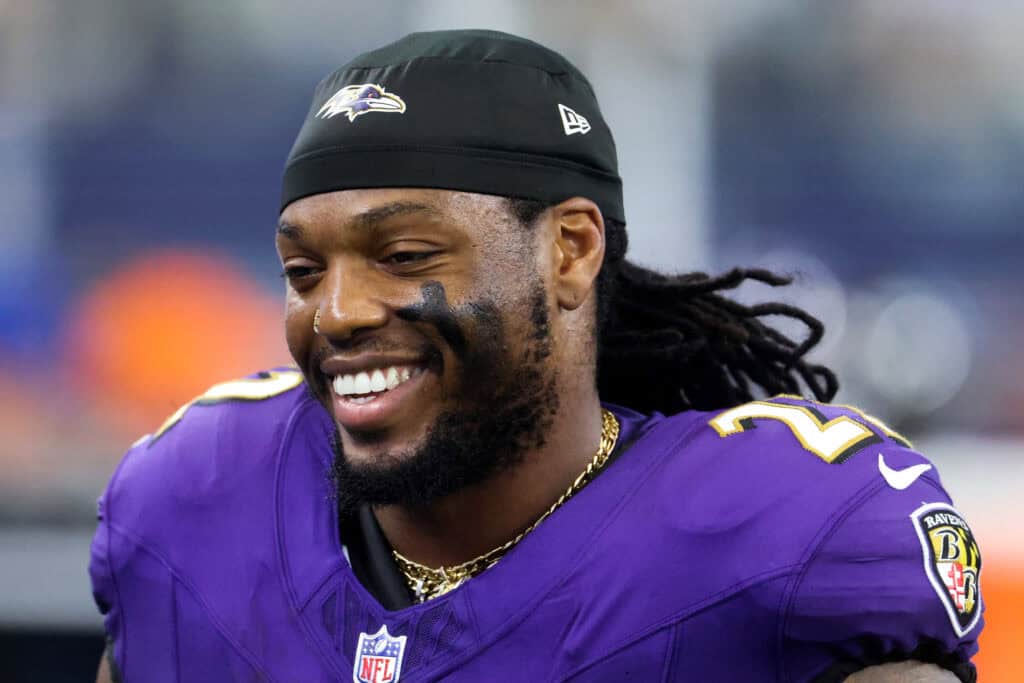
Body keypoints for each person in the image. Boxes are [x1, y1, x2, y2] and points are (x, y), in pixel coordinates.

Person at [90, 29, 983, 682]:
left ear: (570, 250)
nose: (338, 312)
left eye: (405, 256)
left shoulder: (775, 537)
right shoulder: (195, 499)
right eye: (302, 269)